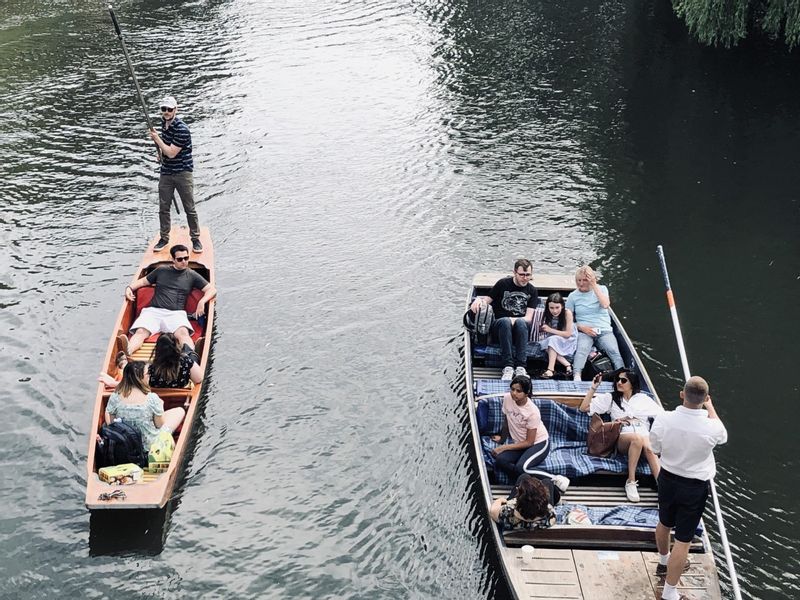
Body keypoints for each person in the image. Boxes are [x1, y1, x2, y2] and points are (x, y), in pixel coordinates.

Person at [650, 377, 727, 600]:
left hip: (667, 479)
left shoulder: (664, 419)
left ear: (682, 394)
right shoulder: (712, 428)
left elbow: (654, 447)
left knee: (664, 522)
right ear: (705, 399)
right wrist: (710, 406)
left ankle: (663, 563)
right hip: (694, 487)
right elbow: (723, 436)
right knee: (683, 540)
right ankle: (670, 593)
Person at [579, 369, 664, 502]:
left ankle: (663, 488)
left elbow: (662, 417)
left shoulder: (643, 399)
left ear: (632, 383)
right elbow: (583, 408)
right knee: (637, 439)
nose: (619, 382)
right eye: (617, 379)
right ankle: (631, 481)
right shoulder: (611, 398)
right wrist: (593, 388)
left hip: (644, 433)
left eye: (623, 380)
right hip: (624, 437)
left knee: (649, 446)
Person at [120, 244, 216, 356]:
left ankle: (191, 354)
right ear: (172, 259)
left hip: (175, 314)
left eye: (186, 258)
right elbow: (142, 282)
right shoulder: (161, 270)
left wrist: (202, 301)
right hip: (154, 311)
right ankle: (129, 350)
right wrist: (129, 288)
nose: (184, 261)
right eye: (180, 259)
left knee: (183, 334)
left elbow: (211, 290)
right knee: (140, 332)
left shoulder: (192, 275)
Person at [149, 95, 202, 253]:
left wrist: (157, 140)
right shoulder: (163, 124)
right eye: (163, 109)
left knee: (189, 207)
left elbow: (172, 152)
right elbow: (166, 150)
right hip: (166, 171)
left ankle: (196, 238)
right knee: (163, 206)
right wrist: (161, 154)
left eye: (169, 109)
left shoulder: (182, 129)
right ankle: (164, 238)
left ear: (175, 110)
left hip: (182, 172)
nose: (166, 112)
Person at [491, 375, 567, 486]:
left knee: (521, 467)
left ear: (526, 393)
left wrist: (504, 447)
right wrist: (502, 439)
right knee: (500, 460)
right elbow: (507, 421)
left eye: (519, 391)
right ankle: (524, 480)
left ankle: (554, 479)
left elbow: (529, 442)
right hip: (520, 444)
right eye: (512, 389)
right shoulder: (507, 398)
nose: (514, 393)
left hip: (538, 443)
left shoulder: (532, 412)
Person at [471, 259, 539, 380]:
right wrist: (478, 300)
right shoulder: (503, 284)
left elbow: (529, 318)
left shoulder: (532, 291)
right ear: (514, 273)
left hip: (520, 329)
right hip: (500, 327)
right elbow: (487, 300)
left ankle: (520, 367)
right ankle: (508, 366)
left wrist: (513, 320)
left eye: (528, 275)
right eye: (522, 275)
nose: (525, 278)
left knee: (521, 322)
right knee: (505, 321)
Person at [104, 361, 185, 452]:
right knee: (180, 411)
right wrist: (160, 407)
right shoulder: (152, 398)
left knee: (108, 412)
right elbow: (159, 425)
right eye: (148, 373)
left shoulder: (115, 397)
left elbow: (112, 422)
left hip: (125, 446)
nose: (149, 376)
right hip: (150, 448)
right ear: (140, 377)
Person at [566, 266, 624, 381]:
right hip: (585, 331)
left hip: (604, 330)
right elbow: (568, 321)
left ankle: (622, 376)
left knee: (614, 351)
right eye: (579, 280)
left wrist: (594, 286)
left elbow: (605, 305)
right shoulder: (573, 296)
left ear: (592, 280)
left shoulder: (602, 289)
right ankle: (577, 376)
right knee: (582, 350)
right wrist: (581, 327)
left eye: (585, 280)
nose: (581, 284)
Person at [99, 332, 202, 391]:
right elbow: (199, 379)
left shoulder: (150, 370)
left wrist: (113, 383)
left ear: (157, 350)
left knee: (136, 368)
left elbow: (132, 382)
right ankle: (193, 352)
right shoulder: (185, 362)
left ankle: (124, 364)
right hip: (180, 394)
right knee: (188, 351)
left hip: (158, 395)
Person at [489, 473, 557, 531]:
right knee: (547, 482)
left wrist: (500, 500)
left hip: (519, 517)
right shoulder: (550, 515)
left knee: (524, 477)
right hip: (538, 520)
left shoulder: (507, 515)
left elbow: (493, 511)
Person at [536, 292, 577, 378]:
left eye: (557, 307)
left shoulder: (567, 313)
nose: (554, 311)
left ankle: (550, 369)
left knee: (551, 341)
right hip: (554, 338)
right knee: (546, 344)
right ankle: (567, 365)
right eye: (551, 308)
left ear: (562, 306)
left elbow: (568, 334)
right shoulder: (546, 313)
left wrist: (550, 330)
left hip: (568, 340)